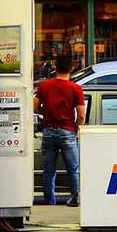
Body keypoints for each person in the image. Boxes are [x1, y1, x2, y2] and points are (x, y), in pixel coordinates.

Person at [34, 63, 87, 206]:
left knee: (49, 170)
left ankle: (50, 201)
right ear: (71, 69)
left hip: (48, 131)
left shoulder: (44, 86)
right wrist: (74, 129)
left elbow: (35, 106)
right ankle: (75, 199)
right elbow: (81, 115)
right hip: (67, 131)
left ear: (55, 68)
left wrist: (46, 113)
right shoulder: (75, 88)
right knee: (73, 169)